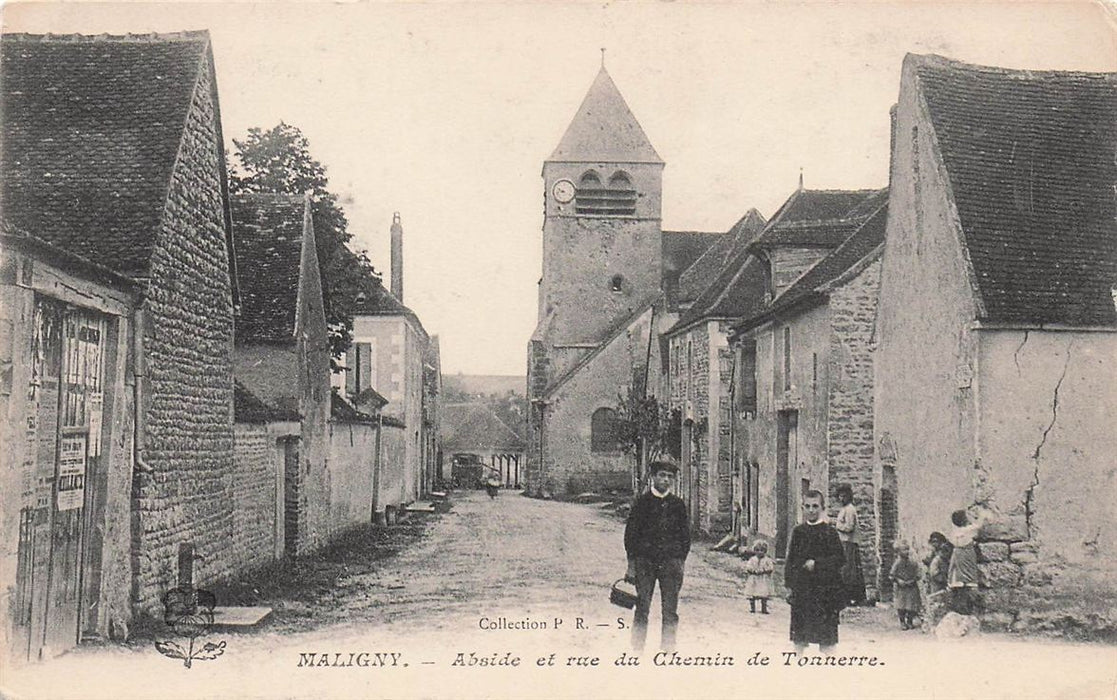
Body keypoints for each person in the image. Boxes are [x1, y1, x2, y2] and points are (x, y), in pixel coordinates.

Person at [624, 461, 690, 652]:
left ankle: (668, 648)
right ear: (653, 477)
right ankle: (637, 649)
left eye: (670, 476)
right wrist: (632, 564)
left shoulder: (678, 505)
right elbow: (631, 536)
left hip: (671, 564)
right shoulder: (642, 503)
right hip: (645, 563)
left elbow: (685, 536)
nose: (665, 480)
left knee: (670, 610)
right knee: (642, 607)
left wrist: (680, 561)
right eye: (662, 475)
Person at [785, 489, 846, 654]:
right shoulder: (798, 532)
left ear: (822, 508)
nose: (811, 510)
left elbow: (840, 559)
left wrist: (817, 564)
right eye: (808, 506)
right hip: (803, 591)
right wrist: (790, 585)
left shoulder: (829, 532)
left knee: (826, 639)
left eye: (815, 506)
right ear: (803, 508)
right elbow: (791, 560)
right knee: (799, 637)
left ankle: (829, 671)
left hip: (825, 592)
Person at [947, 509, 986, 615]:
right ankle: (966, 608)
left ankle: (960, 606)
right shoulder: (967, 530)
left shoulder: (954, 532)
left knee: (957, 576)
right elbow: (979, 525)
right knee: (967, 578)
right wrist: (982, 514)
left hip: (956, 555)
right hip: (966, 555)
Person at [834, 485, 867, 606]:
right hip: (844, 542)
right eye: (840, 496)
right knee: (847, 570)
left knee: (849, 571)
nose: (841, 498)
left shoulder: (850, 509)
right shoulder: (845, 509)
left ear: (849, 496)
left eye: (844, 496)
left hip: (849, 542)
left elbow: (849, 527)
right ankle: (848, 597)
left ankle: (851, 597)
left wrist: (837, 526)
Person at [889, 540, 922, 630]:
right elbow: (891, 575)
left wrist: (913, 580)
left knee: (911, 606)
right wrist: (898, 580)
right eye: (904, 550)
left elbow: (918, 574)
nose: (906, 552)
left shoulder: (913, 562)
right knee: (901, 606)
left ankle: (910, 621)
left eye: (907, 549)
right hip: (901, 588)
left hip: (911, 587)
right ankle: (902, 622)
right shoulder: (897, 563)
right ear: (899, 552)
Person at [743, 540, 775, 614]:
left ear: (765, 551)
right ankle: (752, 608)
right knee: (752, 593)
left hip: (763, 579)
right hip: (754, 579)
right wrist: (753, 570)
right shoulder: (752, 559)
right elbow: (748, 567)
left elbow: (770, 568)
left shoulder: (767, 560)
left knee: (764, 593)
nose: (760, 552)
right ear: (754, 550)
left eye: (762, 550)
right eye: (757, 550)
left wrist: (764, 570)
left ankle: (764, 608)